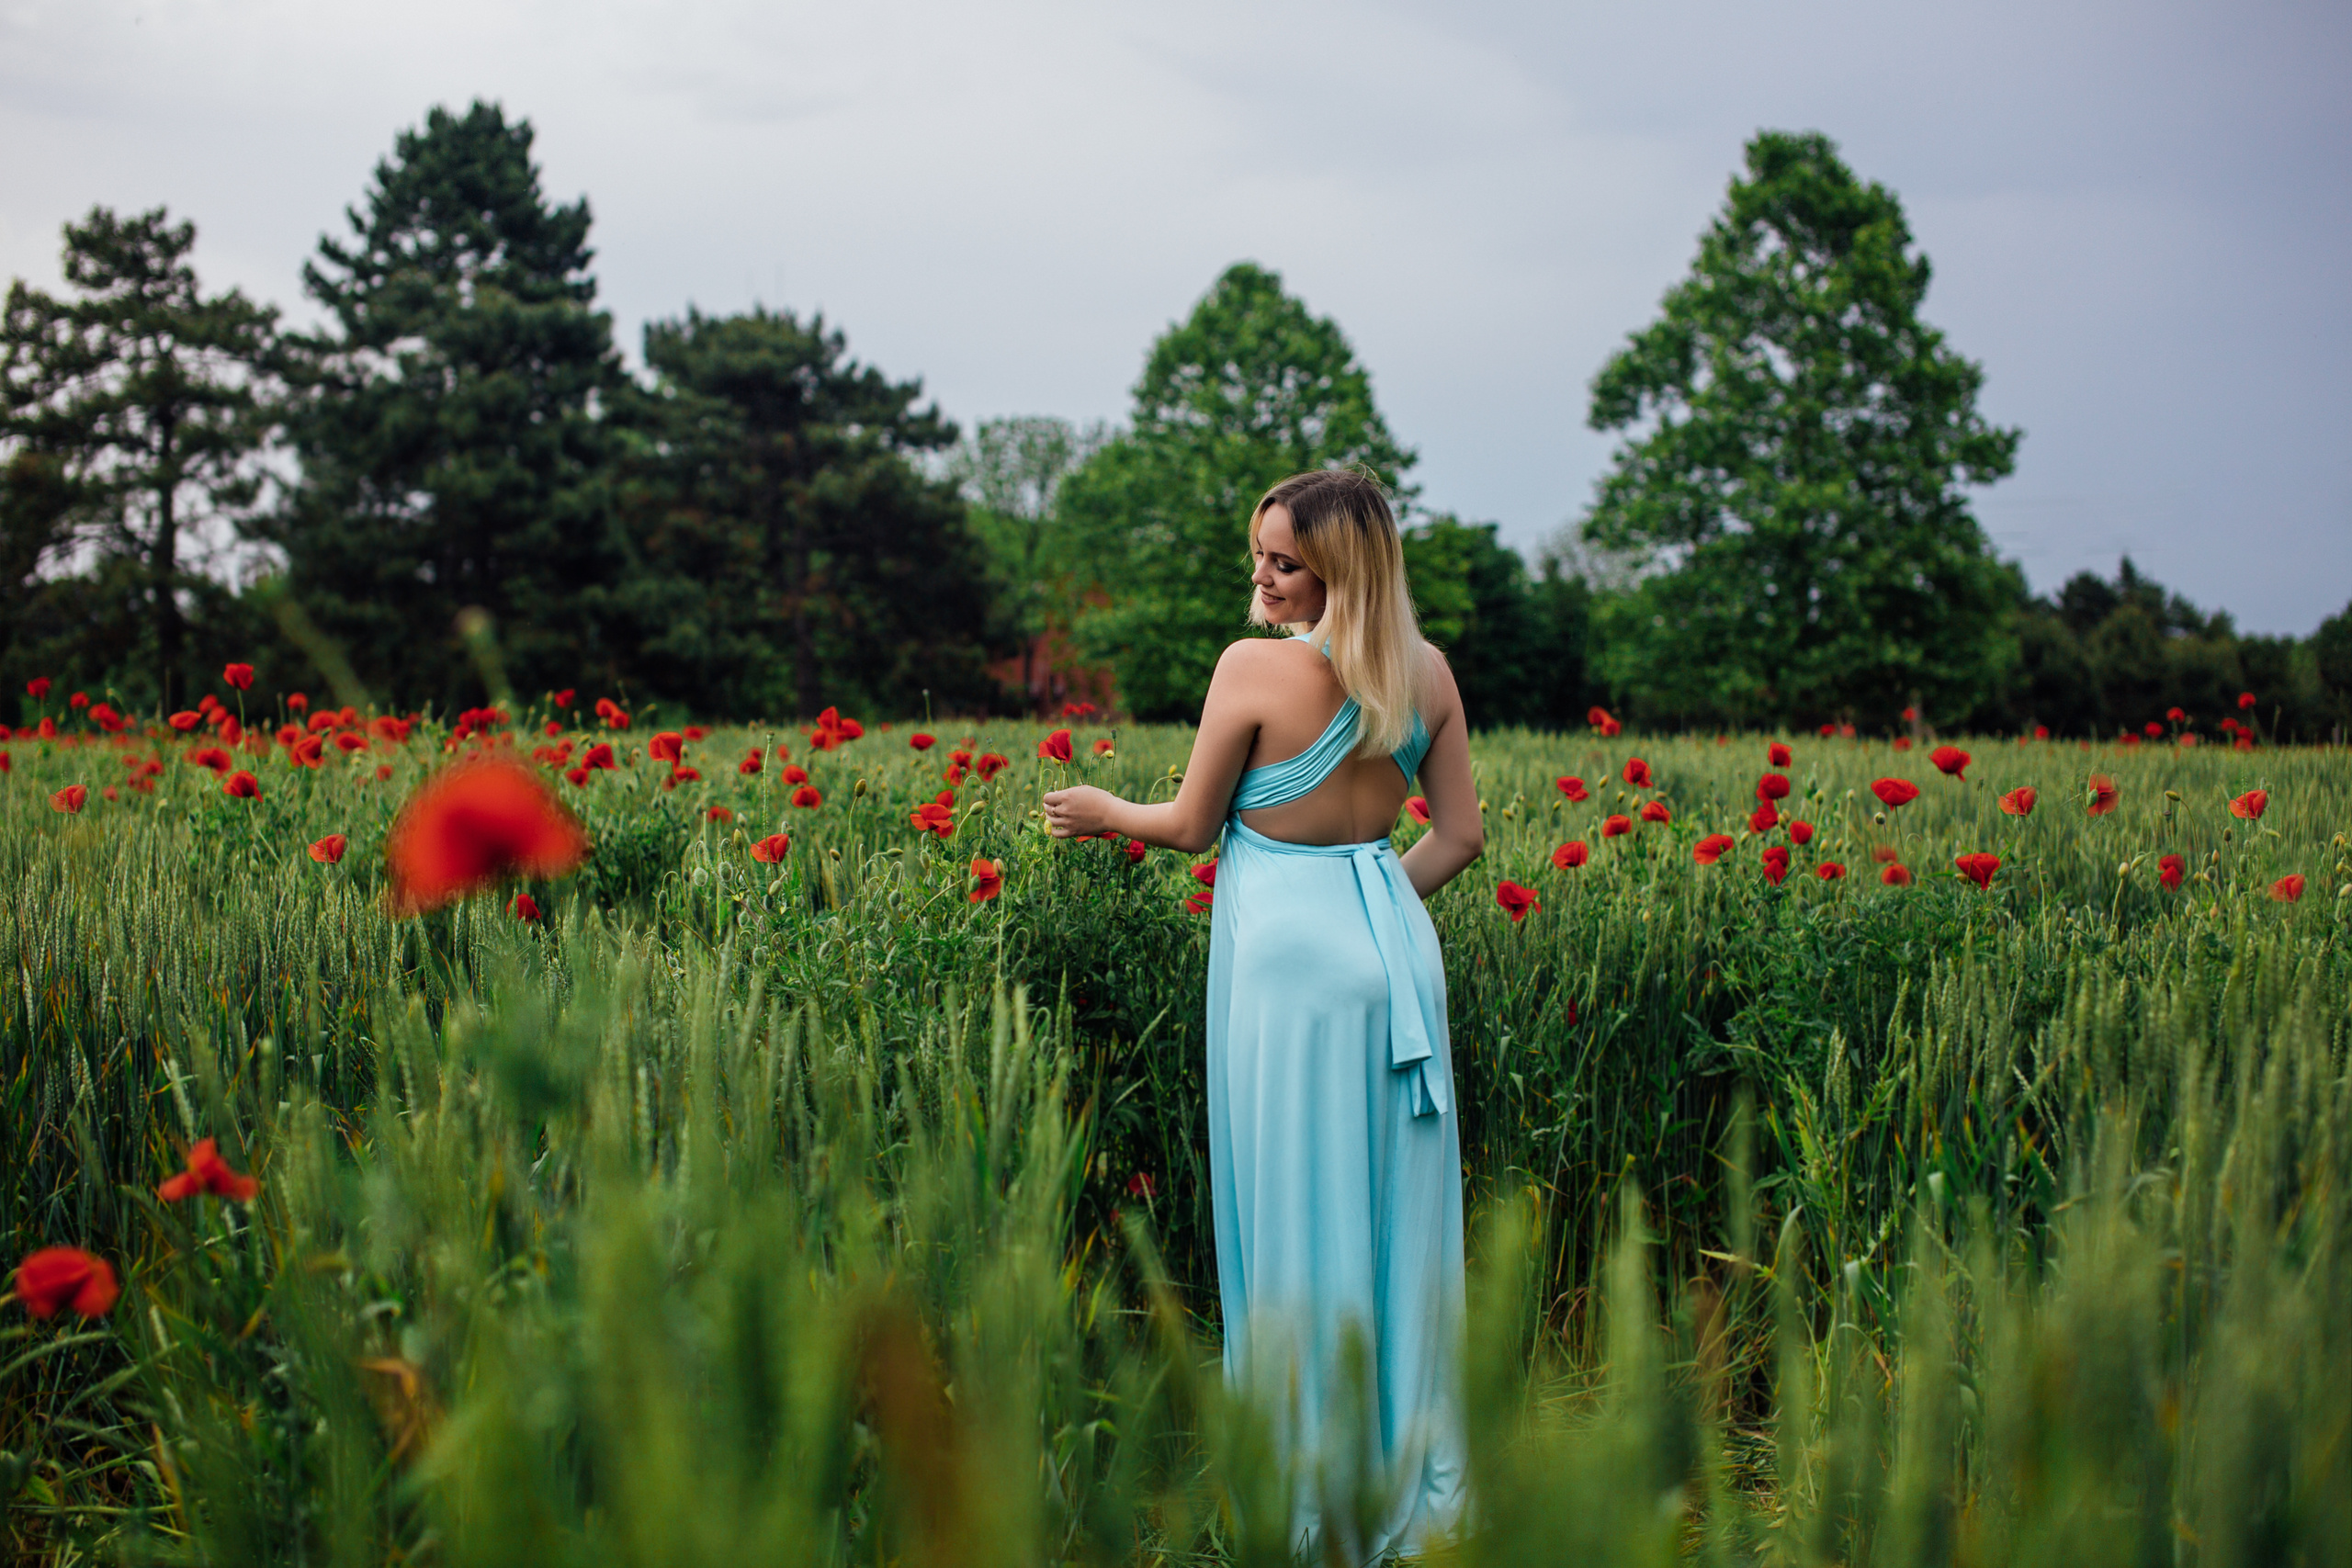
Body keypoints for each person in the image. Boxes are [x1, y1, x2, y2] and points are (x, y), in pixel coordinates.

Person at [1043, 468, 1483, 1560]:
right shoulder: (1425, 674)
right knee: (1400, 1220)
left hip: (1286, 967)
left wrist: (1104, 813)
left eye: (1285, 562)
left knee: (1297, 1210)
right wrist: (1371, 909)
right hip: (1394, 953)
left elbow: (1194, 827)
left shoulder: (1252, 669)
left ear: (1340, 569)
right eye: (1261, 555)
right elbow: (1460, 837)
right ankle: (1415, 1487)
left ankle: (1306, 1489)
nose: (1263, 577)